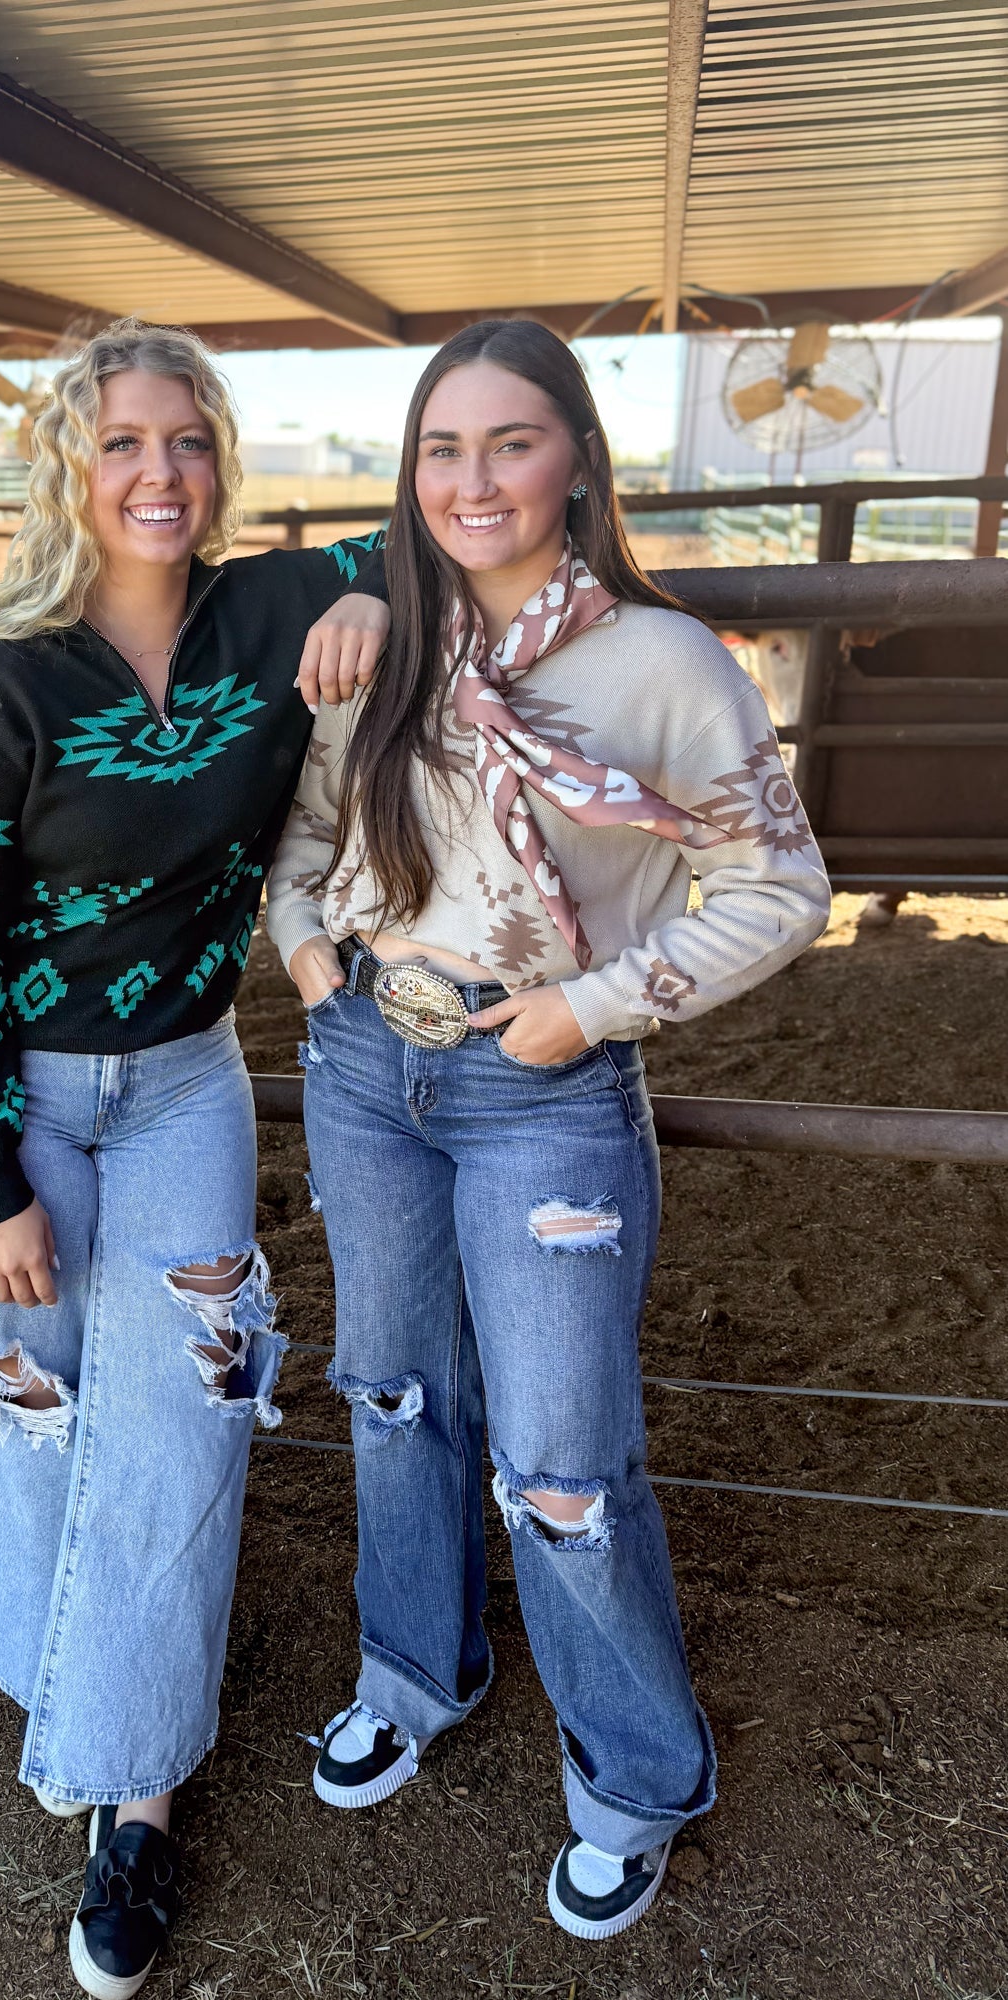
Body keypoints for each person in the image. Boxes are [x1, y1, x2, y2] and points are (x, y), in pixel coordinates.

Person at [267, 318, 831, 1942]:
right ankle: (414, 1669)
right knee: (389, 1393)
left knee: (564, 1462)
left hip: (544, 1080)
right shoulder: (382, 645)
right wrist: (307, 950)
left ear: (577, 458)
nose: (474, 479)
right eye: (442, 449)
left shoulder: (663, 664)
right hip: (369, 1056)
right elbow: (305, 832)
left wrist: (598, 1004)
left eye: (510, 442)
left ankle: (639, 1775)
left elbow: (779, 886)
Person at [0, 318, 389, 2000]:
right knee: (31, 1403)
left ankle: (138, 1795)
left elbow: (456, 528)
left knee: (192, 1401)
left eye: (186, 440)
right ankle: (73, 1694)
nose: (158, 472)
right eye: (122, 443)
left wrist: (379, 603)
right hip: (4, 1095)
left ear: (219, 460)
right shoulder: (4, 678)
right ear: (72, 467)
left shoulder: (274, 608)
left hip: (183, 1082)